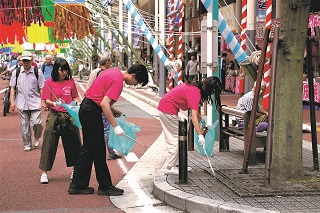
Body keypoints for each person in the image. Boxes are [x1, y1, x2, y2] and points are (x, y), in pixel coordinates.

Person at [68, 63, 149, 196]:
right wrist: (115, 126)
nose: (134, 85)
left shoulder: (113, 71)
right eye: (136, 82)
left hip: (87, 108)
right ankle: (104, 186)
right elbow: (104, 103)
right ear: (133, 75)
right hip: (91, 112)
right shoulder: (118, 82)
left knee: (89, 149)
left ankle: (78, 184)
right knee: (98, 150)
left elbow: (99, 96)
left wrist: (112, 110)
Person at [157, 76, 222, 175]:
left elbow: (194, 112)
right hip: (168, 110)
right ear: (210, 89)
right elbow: (193, 117)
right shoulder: (196, 92)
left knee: (177, 137)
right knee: (175, 139)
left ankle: (177, 165)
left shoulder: (194, 88)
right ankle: (169, 167)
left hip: (166, 108)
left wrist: (202, 122)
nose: (212, 95)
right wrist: (200, 135)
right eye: (213, 92)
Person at [38, 57, 82, 184]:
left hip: (69, 116)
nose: (64, 73)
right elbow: (46, 100)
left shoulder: (71, 82)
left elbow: (75, 96)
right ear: (56, 69)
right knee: (49, 143)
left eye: (66, 70)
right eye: (61, 70)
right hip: (54, 115)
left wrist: (76, 103)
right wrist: (54, 103)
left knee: (73, 143)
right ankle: (44, 172)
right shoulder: (49, 82)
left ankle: (75, 170)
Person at [87, 54, 122, 160]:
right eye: (110, 62)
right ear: (107, 63)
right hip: (102, 105)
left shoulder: (94, 72)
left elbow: (89, 87)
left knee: (100, 129)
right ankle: (109, 152)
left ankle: (101, 152)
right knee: (106, 129)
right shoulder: (103, 73)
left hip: (97, 105)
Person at [9, 51, 45, 151]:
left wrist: (43, 101)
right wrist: (12, 102)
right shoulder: (16, 73)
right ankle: (27, 143)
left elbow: (42, 87)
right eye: (24, 60)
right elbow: (12, 87)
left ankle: (37, 137)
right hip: (21, 102)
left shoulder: (38, 72)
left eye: (28, 61)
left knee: (37, 123)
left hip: (35, 102)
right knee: (24, 125)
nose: (25, 63)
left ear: (31, 61)